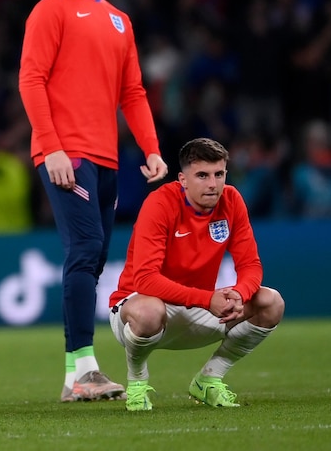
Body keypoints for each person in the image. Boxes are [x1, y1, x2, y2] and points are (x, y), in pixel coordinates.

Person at [18, 0, 169, 403]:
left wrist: (151, 148)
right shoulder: (51, 10)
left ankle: (72, 377)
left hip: (106, 157)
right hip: (67, 153)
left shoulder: (120, 20)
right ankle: (85, 369)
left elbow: (133, 92)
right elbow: (31, 79)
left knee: (94, 256)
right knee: (84, 249)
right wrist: (51, 144)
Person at [109, 137, 285, 411]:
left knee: (271, 302)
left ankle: (209, 379)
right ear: (183, 179)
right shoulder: (160, 204)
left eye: (219, 174)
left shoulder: (232, 200)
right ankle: (137, 381)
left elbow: (250, 265)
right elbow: (145, 280)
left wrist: (240, 293)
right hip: (140, 308)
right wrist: (206, 299)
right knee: (148, 311)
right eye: (202, 175)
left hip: (199, 309)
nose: (213, 184)